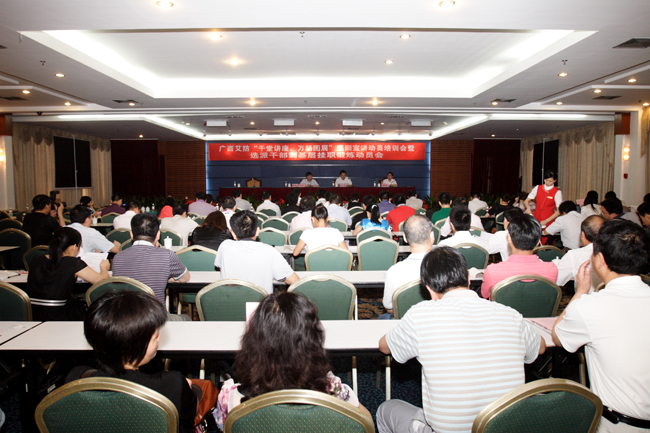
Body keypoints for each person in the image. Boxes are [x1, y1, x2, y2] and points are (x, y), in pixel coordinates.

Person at [376, 246, 544, 433]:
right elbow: (541, 347)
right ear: (469, 279)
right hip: (507, 427)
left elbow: (384, 347)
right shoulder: (510, 315)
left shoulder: (421, 315)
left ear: (429, 288)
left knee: (385, 410)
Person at [214, 292, 371, 430]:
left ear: (253, 342)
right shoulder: (334, 391)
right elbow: (365, 423)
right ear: (312, 341)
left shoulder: (229, 399)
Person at [552, 220, 650, 433]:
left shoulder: (589, 307)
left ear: (600, 260)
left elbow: (558, 336)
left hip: (618, 425)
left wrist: (580, 292)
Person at [66, 291, 200, 433]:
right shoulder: (173, 384)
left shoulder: (75, 379)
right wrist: (187, 389)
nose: (159, 338)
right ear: (137, 346)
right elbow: (190, 416)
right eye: (155, 336)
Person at [112, 213, 191, 320]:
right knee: (186, 319)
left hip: (126, 318)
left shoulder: (117, 258)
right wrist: (163, 277)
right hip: (155, 318)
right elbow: (185, 278)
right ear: (158, 235)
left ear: (131, 234)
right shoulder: (167, 255)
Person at [26, 227, 109, 321]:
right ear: (73, 247)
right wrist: (104, 268)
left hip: (31, 313)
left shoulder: (36, 259)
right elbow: (102, 281)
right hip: (57, 314)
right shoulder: (73, 263)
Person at [215, 211, 299, 294]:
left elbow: (222, 270)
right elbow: (295, 281)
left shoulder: (224, 246)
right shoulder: (270, 251)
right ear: (258, 231)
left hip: (230, 300)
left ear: (232, 233)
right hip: (261, 302)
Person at [481, 214, 558, 299]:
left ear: (509, 238)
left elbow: (485, 295)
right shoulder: (552, 270)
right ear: (538, 242)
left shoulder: (492, 271)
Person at [380, 215, 434, 319]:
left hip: (405, 320)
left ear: (404, 238)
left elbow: (389, 308)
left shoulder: (394, 271)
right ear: (432, 236)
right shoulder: (448, 266)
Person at [555, 215, 605, 293]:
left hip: (586, 299)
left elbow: (557, 279)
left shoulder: (574, 255)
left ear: (583, 235)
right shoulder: (617, 251)